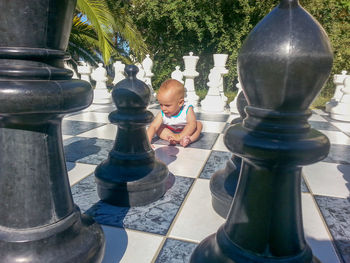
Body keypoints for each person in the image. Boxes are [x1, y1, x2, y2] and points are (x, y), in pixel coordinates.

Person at [147, 79, 202, 147]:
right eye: (161, 104)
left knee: (198, 125)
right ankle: (172, 138)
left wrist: (180, 136)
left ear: (180, 103)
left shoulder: (187, 109)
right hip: (170, 132)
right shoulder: (162, 114)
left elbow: (191, 124)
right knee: (159, 128)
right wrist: (147, 142)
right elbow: (153, 126)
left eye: (167, 105)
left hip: (186, 131)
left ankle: (189, 140)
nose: (163, 108)